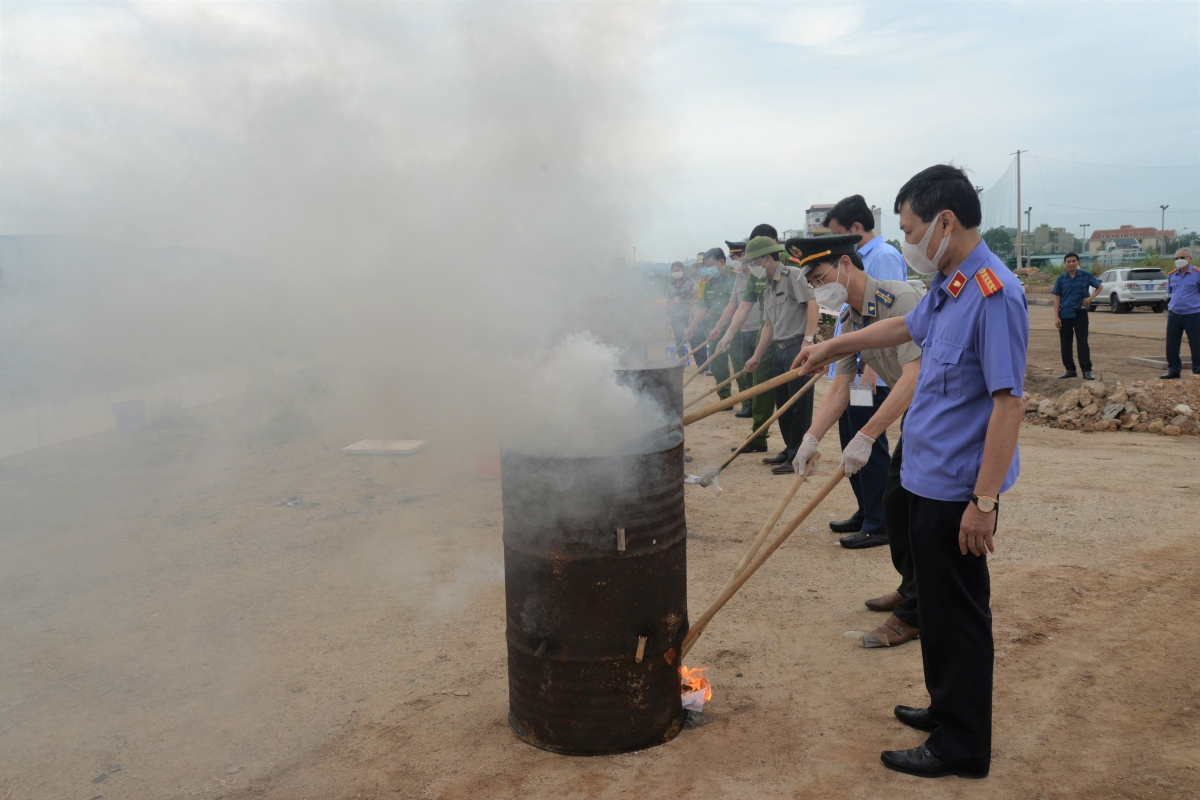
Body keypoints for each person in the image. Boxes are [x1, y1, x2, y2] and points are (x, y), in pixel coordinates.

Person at [795, 164, 1028, 778]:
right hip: (925, 475)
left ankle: (962, 747)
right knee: (937, 613)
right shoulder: (951, 286)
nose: (905, 241)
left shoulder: (994, 292)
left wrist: (983, 502)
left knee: (960, 616)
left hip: (958, 489)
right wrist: (832, 346)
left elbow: (1009, 404)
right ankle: (943, 709)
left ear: (944, 223)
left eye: (910, 228)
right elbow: (905, 326)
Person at [788, 234, 924, 650]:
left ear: (845, 264)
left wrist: (867, 435)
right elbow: (840, 387)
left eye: (819, 276)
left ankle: (917, 612)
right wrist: (811, 438)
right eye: (811, 282)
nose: (817, 288)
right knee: (896, 504)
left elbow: (916, 378)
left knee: (920, 512)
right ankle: (911, 588)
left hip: (942, 411)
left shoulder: (901, 301)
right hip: (919, 417)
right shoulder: (849, 319)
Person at [823, 195, 908, 545]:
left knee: (868, 444)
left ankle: (878, 519)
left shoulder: (885, 257)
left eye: (839, 233)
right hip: (852, 370)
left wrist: (870, 377)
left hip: (869, 375)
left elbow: (887, 316)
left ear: (857, 229)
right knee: (849, 439)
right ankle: (865, 508)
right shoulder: (860, 259)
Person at [737, 235, 820, 474]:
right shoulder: (769, 286)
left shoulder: (793, 276)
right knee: (783, 405)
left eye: (752, 262)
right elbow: (768, 326)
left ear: (766, 259)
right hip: (780, 351)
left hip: (797, 347)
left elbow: (812, 304)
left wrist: (808, 340)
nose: (750, 268)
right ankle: (789, 448)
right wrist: (756, 356)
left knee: (799, 406)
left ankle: (798, 455)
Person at [684, 248, 736, 398]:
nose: (709, 269)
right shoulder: (709, 284)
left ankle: (747, 403)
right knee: (719, 367)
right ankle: (725, 398)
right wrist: (691, 327)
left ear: (721, 262)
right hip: (715, 330)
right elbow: (702, 309)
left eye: (711, 264)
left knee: (740, 366)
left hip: (735, 330)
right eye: (707, 265)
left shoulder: (737, 278)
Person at [1051, 252, 1102, 380]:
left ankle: (1087, 370)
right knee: (1066, 344)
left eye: (1073, 261)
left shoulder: (1086, 275)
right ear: (1065, 264)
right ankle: (1070, 369)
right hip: (1065, 314)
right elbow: (1057, 298)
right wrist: (1056, 316)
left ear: (1078, 262)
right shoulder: (1061, 279)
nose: (1071, 264)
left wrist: (1091, 298)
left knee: (1082, 342)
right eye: (1068, 261)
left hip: (1080, 313)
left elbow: (1099, 286)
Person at [1162, 247, 1200, 379]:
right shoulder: (1172, 275)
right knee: (1171, 344)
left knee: (1196, 343)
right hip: (1174, 314)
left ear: (1189, 259)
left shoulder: (1197, 273)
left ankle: (1198, 371)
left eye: (1182, 258)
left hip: (1194, 314)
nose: (1179, 260)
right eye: (1176, 258)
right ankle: (1173, 370)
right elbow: (1170, 293)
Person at [665, 261, 695, 358]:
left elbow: (694, 298)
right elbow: (668, 301)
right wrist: (667, 315)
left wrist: (691, 314)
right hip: (675, 315)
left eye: (678, 270)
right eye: (674, 270)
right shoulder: (670, 285)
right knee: (678, 338)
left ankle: (701, 363)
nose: (676, 272)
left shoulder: (691, 282)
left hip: (688, 314)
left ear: (683, 270)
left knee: (692, 337)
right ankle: (682, 360)